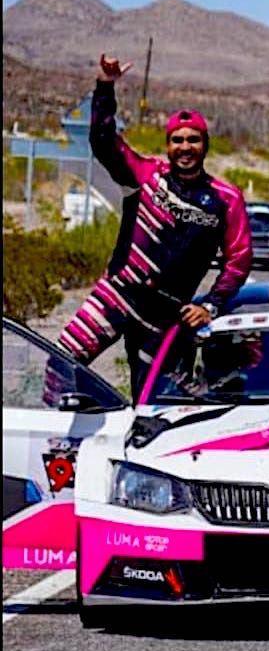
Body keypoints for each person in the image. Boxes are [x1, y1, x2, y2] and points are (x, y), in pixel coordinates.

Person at [56, 54, 251, 396]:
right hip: (116, 295)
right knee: (59, 366)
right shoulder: (145, 174)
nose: (185, 147)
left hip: (166, 318)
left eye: (193, 139)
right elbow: (103, 141)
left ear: (205, 145)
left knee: (157, 405)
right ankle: (55, 429)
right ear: (168, 145)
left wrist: (210, 305)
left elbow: (239, 260)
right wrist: (105, 86)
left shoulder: (227, 198)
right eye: (178, 140)